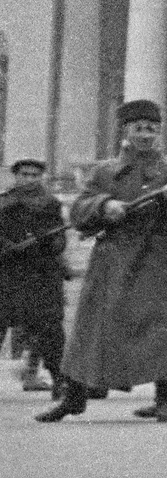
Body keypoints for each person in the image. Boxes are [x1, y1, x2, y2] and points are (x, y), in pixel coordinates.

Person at [39, 100, 167, 422]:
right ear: (125, 131)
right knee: (92, 329)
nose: (146, 135)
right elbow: (79, 210)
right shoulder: (104, 172)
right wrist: (104, 205)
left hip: (156, 258)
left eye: (152, 129)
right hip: (112, 258)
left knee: (163, 329)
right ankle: (73, 397)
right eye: (139, 128)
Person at [2, 159, 67, 408]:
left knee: (49, 330)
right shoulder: (3, 203)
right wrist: (9, 247)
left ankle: (59, 381)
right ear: (15, 176)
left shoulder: (51, 204)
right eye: (24, 174)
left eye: (35, 175)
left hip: (41, 274)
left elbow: (59, 239)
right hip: (8, 274)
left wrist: (45, 243)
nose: (29, 179)